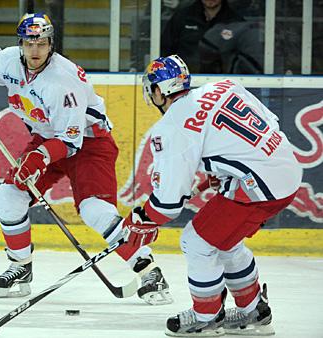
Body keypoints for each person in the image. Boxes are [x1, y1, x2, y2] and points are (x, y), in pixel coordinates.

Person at [0, 12, 171, 305]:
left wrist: (39, 157)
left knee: (94, 211)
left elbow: (70, 141)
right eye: (29, 43)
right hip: (46, 138)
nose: (35, 50)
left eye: (42, 43)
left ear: (51, 44)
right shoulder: (9, 60)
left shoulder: (64, 81)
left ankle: (148, 270)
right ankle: (20, 267)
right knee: (9, 198)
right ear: (21, 43)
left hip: (89, 143)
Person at [126, 55, 302, 335]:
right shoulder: (222, 86)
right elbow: (269, 122)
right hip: (287, 168)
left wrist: (143, 218)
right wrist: (228, 167)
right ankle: (252, 310)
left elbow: (169, 200)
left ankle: (206, 316)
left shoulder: (171, 127)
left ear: (159, 91)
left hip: (260, 186)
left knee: (195, 241)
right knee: (224, 242)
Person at [161, 0, 244, 73]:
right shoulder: (182, 17)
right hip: (186, 81)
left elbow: (244, 57)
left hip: (224, 83)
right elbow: (166, 50)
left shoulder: (236, 21)